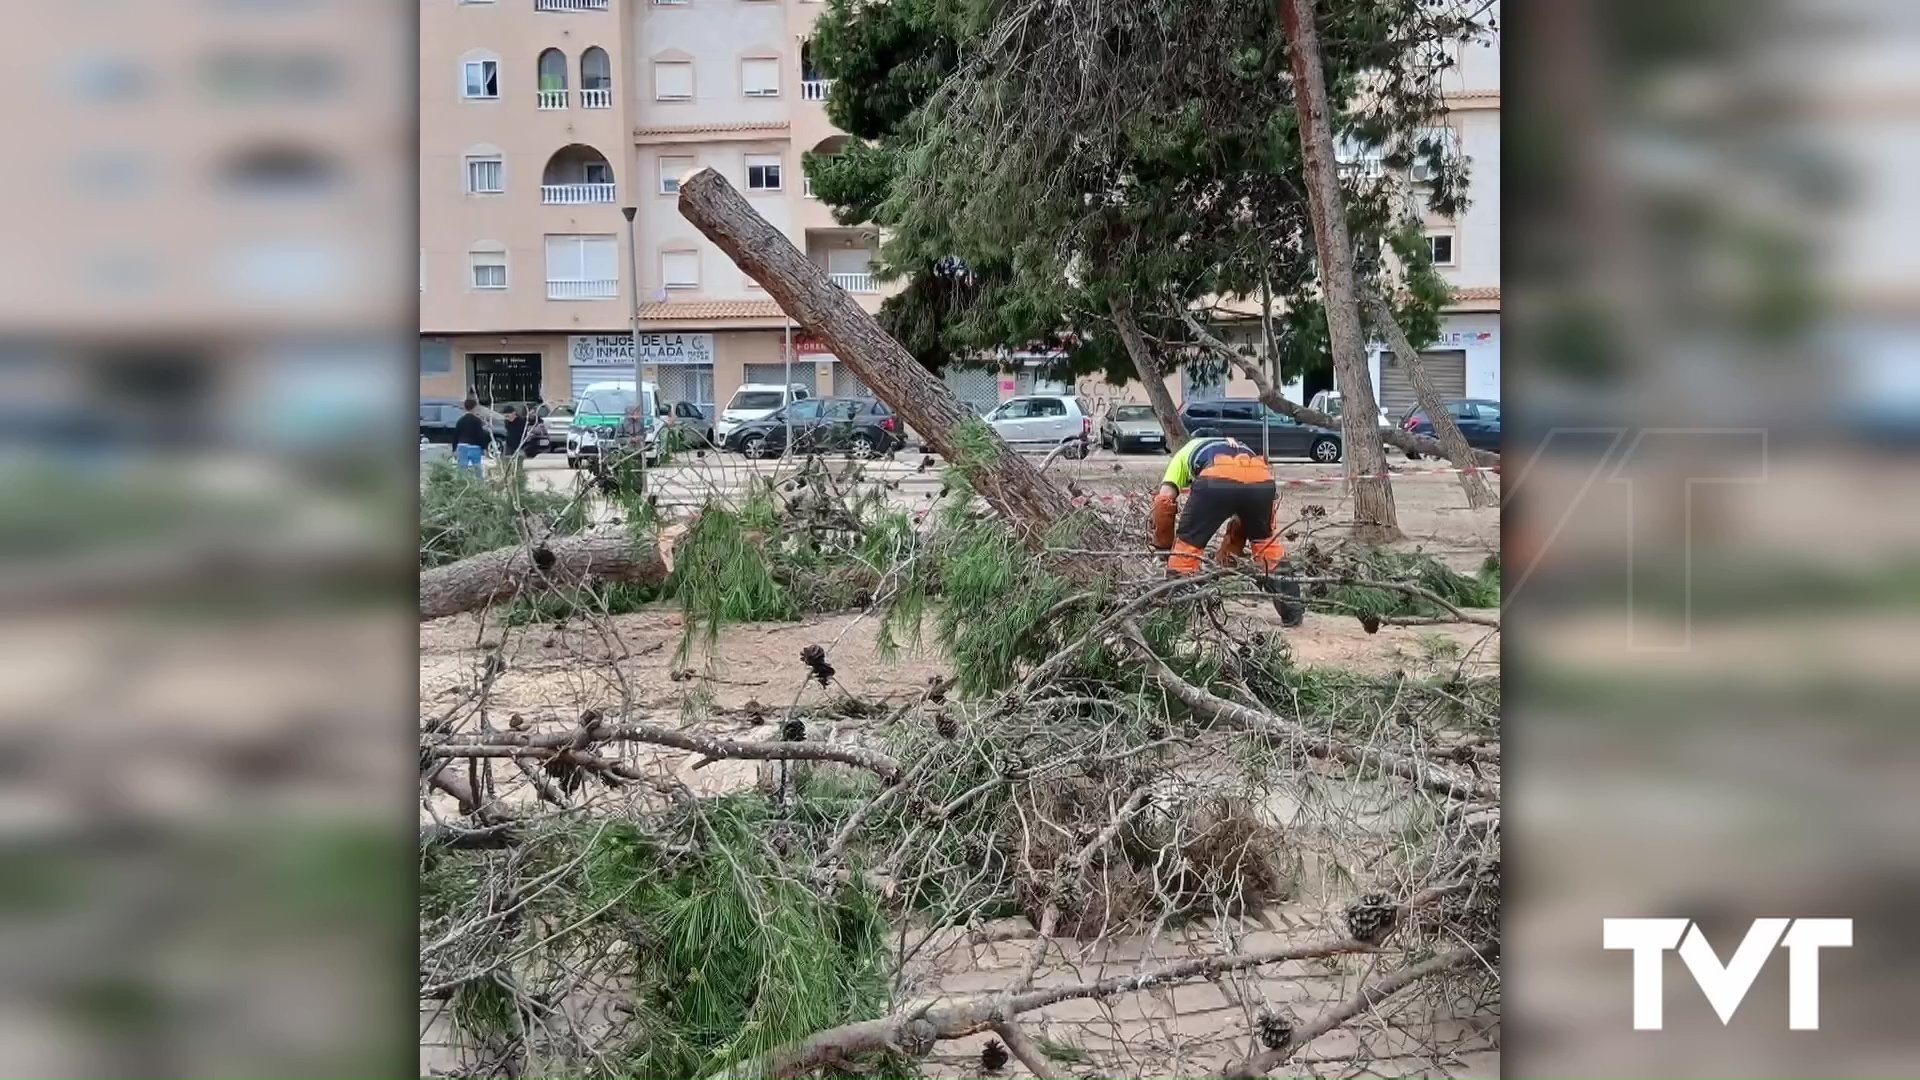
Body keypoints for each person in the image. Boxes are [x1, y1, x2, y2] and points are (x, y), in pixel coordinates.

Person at [1151, 427, 1305, 626]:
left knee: (1187, 547)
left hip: (1215, 479)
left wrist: (1163, 548)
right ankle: (1292, 610)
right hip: (1262, 480)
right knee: (1266, 545)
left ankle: (1176, 612)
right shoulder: (1237, 446)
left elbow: (1164, 500)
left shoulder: (1187, 449)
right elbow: (1242, 520)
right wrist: (1227, 559)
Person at [453, 396, 490, 476]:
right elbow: (480, 435)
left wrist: (454, 449)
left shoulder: (460, 420)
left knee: (462, 470)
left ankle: (462, 483)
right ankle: (479, 483)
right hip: (474, 447)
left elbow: (456, 435)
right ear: (474, 408)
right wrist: (484, 447)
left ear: (465, 408)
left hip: (462, 447)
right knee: (477, 470)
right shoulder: (477, 421)